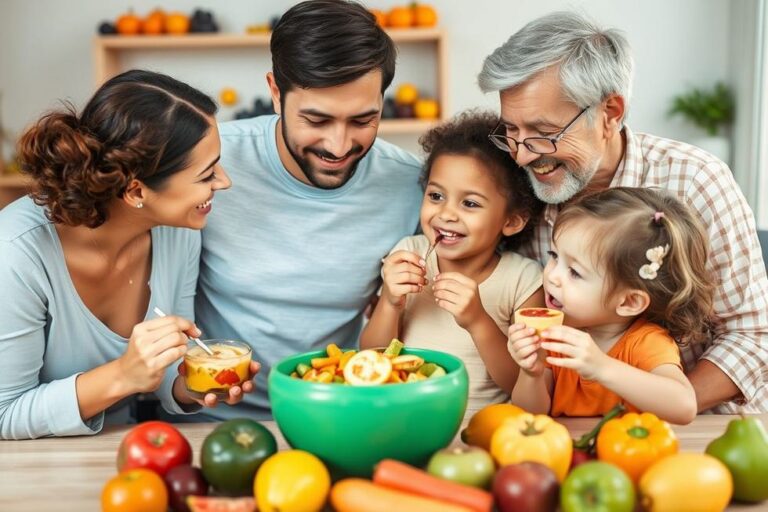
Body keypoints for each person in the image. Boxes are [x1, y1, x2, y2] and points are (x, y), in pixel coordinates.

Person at [478, 11, 768, 413]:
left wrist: (630, 417)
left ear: (610, 113)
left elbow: (753, 336)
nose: (523, 154)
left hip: (692, 429)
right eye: (511, 130)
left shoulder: (696, 179)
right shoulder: (511, 185)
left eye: (544, 134)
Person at [0, 70, 259, 440]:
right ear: (136, 190)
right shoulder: (16, 253)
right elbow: (4, 413)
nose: (224, 181)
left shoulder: (178, 231)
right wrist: (123, 374)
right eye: (206, 175)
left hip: (121, 449)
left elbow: (165, 369)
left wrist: (196, 385)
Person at [195, 0, 423, 419]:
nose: (339, 147)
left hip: (342, 415)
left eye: (362, 120)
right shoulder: (209, 165)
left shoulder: (411, 184)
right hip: (211, 419)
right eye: (316, 120)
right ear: (275, 93)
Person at [360, 111, 544, 415]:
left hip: (481, 432)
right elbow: (371, 358)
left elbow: (521, 384)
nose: (445, 214)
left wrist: (477, 320)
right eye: (435, 196)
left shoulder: (523, 280)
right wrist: (391, 302)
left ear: (512, 221)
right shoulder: (409, 253)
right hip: (402, 421)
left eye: (469, 203)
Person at [509, 187, 710, 424]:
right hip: (563, 453)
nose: (552, 275)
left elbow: (684, 407)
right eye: (554, 256)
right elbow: (529, 415)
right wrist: (531, 373)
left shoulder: (645, 343)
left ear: (629, 302)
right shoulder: (557, 336)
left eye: (574, 272)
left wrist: (600, 367)